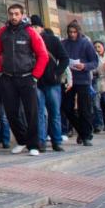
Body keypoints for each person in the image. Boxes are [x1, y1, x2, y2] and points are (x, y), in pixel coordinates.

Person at [0, 4, 48, 156]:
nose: (14, 17)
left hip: (27, 77)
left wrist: (35, 75)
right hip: (8, 78)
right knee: (11, 112)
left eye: (17, 14)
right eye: (11, 14)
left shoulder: (30, 32)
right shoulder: (2, 32)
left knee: (31, 113)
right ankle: (21, 140)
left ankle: (33, 145)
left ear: (22, 15)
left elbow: (43, 55)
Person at [30, 15, 68, 153]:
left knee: (54, 113)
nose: (34, 30)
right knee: (39, 113)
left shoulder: (52, 40)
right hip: (36, 82)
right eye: (31, 27)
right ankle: (41, 141)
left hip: (52, 82)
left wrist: (56, 73)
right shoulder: (29, 41)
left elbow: (64, 59)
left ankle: (56, 141)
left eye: (36, 27)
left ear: (41, 27)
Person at [61, 21, 98, 146]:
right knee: (67, 107)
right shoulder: (64, 44)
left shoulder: (86, 44)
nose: (72, 35)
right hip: (68, 80)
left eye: (74, 32)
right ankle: (81, 131)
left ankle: (86, 135)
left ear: (78, 32)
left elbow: (94, 62)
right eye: (70, 32)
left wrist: (84, 66)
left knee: (84, 108)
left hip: (83, 79)